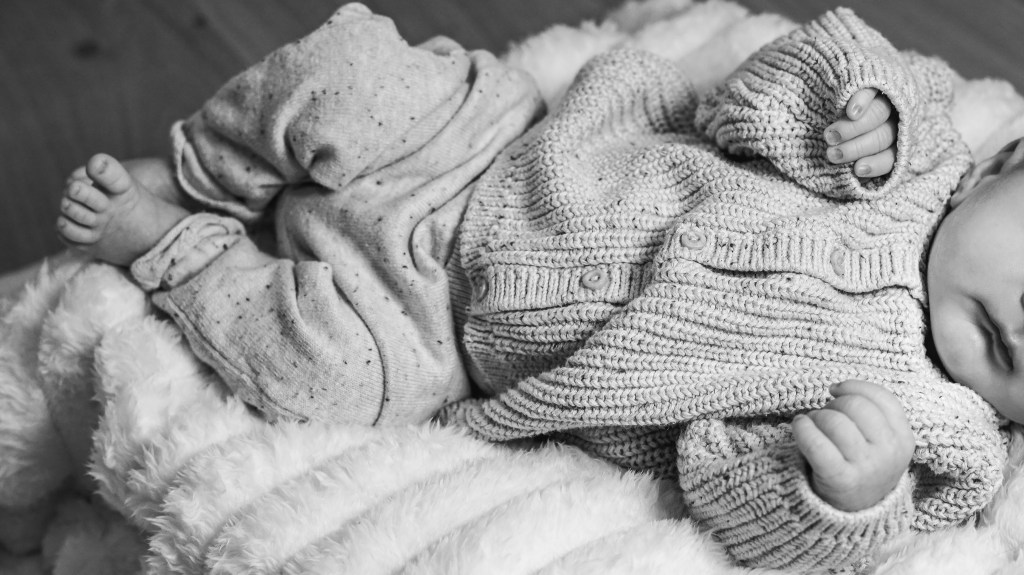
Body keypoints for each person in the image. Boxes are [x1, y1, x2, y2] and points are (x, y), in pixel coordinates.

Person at [52, 4, 1012, 572]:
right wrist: (848, 105)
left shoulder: (943, 435)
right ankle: (209, 170)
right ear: (1003, 166)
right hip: (497, 150)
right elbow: (749, 98)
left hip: (438, 326)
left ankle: (176, 243)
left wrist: (843, 497)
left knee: (327, 378)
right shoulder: (909, 142)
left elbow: (732, 493)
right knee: (353, 73)